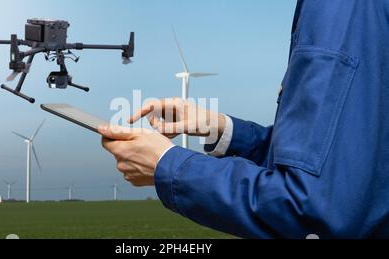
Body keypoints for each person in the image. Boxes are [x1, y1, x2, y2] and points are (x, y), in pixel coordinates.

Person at [100, 0, 389, 238]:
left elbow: (313, 210)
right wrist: (221, 128)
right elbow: (344, 161)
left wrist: (167, 165)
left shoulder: (341, 9)